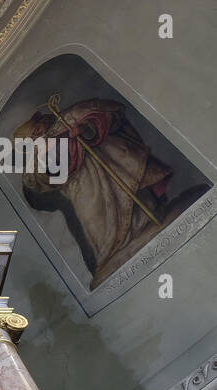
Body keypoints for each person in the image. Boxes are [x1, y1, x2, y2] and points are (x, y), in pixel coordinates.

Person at [15, 98, 207, 287]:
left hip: (113, 166)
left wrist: (85, 129)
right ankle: (113, 252)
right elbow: (39, 180)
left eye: (37, 130)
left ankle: (147, 223)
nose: (37, 135)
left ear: (42, 119)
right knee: (94, 218)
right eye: (32, 138)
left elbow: (110, 114)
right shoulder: (36, 158)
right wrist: (50, 154)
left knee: (133, 199)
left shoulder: (69, 118)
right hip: (82, 187)